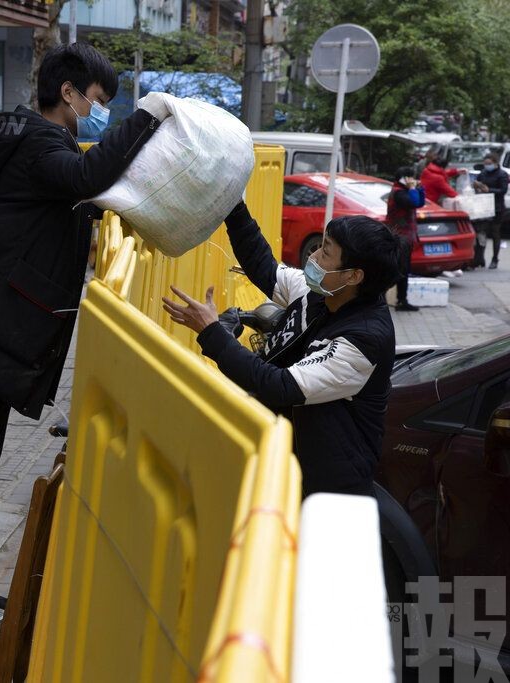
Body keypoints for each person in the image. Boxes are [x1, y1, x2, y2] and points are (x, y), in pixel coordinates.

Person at [0, 42, 165, 648]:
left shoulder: (47, 149)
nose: (102, 113)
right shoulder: (41, 148)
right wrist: (147, 117)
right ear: (67, 93)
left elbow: (86, 192)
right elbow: (89, 175)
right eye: (99, 102)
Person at [163, 202, 401, 499]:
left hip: (324, 491)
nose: (313, 257)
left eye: (326, 252)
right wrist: (234, 208)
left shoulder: (364, 340)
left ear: (353, 276)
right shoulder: (322, 292)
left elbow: (280, 385)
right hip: (284, 465)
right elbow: (265, 268)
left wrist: (212, 333)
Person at [385, 166, 426, 312]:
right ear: (405, 178)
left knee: (404, 270)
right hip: (399, 237)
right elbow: (413, 202)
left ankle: (402, 300)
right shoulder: (399, 193)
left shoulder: (404, 191)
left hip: (406, 237)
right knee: (397, 269)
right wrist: (413, 189)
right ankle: (382, 298)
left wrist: (420, 189)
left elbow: (420, 202)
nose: (413, 180)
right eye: (411, 177)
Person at [474, 153, 508, 269]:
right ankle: (480, 258)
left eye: (489, 164)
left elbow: (503, 190)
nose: (487, 166)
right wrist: (477, 186)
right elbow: (478, 184)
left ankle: (495, 259)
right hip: (483, 206)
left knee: (495, 233)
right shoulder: (483, 173)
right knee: (481, 232)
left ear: (495, 163)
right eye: (485, 164)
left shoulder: (502, 174)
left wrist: (489, 190)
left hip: (497, 207)